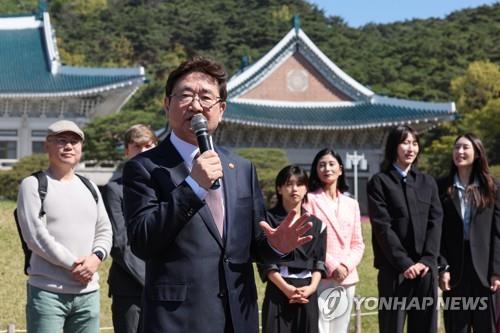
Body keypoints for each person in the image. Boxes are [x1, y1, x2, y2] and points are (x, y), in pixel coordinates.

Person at [122, 56, 314, 333]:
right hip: (176, 319)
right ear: (167, 104)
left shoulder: (241, 168)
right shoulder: (144, 167)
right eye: (185, 95)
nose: (196, 106)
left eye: (206, 97)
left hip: (237, 316)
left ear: (221, 109)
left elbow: (255, 242)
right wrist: (192, 186)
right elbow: (142, 240)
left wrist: (276, 246)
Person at [16, 120, 112, 333]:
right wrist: (75, 266)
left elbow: (105, 229)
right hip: (48, 292)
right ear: (47, 146)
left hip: (88, 293)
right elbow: (36, 236)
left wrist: (96, 257)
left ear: (81, 148)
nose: (68, 146)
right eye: (61, 141)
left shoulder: (90, 186)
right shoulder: (33, 185)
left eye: (74, 142)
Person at [367, 125, 443, 333]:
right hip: (394, 270)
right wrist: (404, 262)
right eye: (405, 142)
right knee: (392, 326)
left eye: (415, 143)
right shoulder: (379, 182)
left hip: (425, 270)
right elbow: (382, 227)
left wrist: (427, 260)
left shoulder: (428, 182)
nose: (411, 148)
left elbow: (435, 223)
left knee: (426, 326)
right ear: (394, 147)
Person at [437, 133, 500, 333]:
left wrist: (497, 271)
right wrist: (443, 267)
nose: (460, 152)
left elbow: (498, 232)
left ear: (477, 153)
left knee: (486, 327)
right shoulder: (441, 187)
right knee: (457, 327)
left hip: (485, 272)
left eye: (465, 148)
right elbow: (438, 232)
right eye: (456, 148)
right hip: (455, 270)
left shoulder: (492, 187)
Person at [102, 124, 158, 333]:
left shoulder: (167, 187)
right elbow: (120, 244)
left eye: (149, 145)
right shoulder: (114, 189)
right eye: (137, 146)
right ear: (127, 151)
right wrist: (149, 280)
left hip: (165, 286)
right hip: (130, 287)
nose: (143, 151)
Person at [258, 165, 326, 333]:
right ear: (279, 189)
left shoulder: (317, 224)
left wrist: (311, 288)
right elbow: (265, 262)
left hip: (307, 292)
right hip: (278, 289)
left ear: (306, 189)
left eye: (300, 184)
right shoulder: (267, 220)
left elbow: (319, 262)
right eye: (289, 184)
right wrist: (286, 289)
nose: (294, 189)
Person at [303, 148, 365, 333]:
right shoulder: (310, 200)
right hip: (322, 275)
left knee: (341, 328)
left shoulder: (351, 203)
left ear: (340, 169)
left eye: (331, 164)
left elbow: (358, 243)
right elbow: (309, 240)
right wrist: (332, 266)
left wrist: (345, 266)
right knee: (321, 327)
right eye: (321, 165)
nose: (327, 169)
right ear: (316, 170)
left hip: (346, 276)